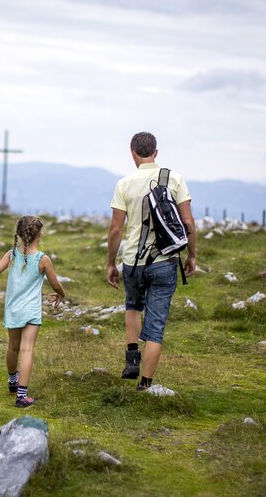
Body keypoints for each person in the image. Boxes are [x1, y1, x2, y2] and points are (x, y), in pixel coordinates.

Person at [105, 132, 197, 391]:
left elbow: (115, 229)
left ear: (132, 152)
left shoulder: (124, 183)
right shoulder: (175, 179)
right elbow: (188, 223)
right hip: (165, 260)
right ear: (156, 152)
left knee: (133, 305)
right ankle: (146, 384)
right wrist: (191, 255)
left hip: (133, 260)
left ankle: (132, 355)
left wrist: (111, 262)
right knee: (155, 324)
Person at [0, 215, 66, 408]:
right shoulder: (43, 259)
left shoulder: (12, 254)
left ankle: (12, 381)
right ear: (39, 235)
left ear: (20, 234)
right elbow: (55, 284)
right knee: (27, 350)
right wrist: (61, 294)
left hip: (13, 309)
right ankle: (22, 396)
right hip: (31, 311)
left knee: (13, 347)